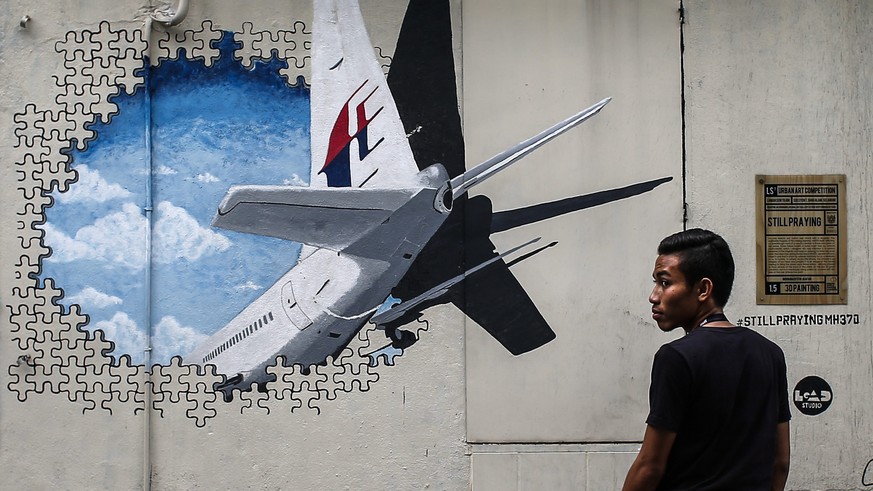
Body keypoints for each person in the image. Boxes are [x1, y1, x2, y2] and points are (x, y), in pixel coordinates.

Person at [622, 228, 791, 491]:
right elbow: (779, 461)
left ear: (703, 289)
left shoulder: (676, 357)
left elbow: (650, 466)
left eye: (665, 282)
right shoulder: (770, 353)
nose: (653, 296)